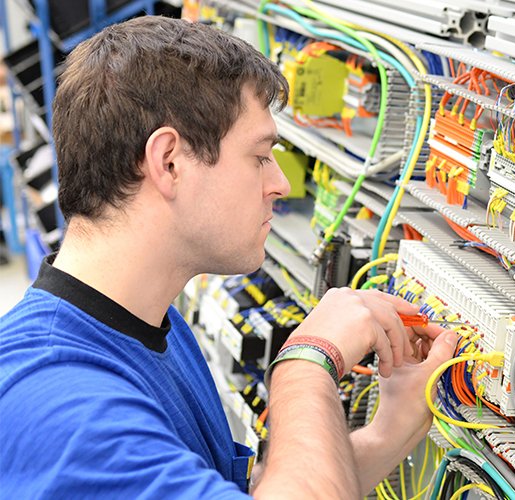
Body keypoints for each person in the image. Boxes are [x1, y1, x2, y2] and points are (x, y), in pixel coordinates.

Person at [0, 16, 457, 498]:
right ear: (169, 162)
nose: (280, 183)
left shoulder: (156, 327)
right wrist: (305, 365)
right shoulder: (64, 408)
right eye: (260, 156)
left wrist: (391, 431)